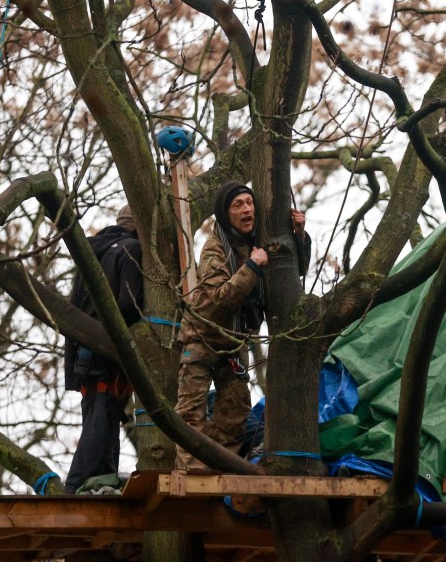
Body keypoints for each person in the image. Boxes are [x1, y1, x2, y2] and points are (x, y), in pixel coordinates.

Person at [174, 181, 310, 469]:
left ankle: (221, 468)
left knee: (235, 413)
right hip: (203, 338)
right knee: (191, 412)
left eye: (250, 203)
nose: (247, 209)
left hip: (235, 343)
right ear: (226, 214)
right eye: (238, 205)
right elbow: (218, 299)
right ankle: (192, 472)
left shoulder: (257, 243)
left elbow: (293, 273)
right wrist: (252, 268)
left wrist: (299, 236)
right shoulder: (215, 250)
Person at [63, 205, 143, 493]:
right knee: (102, 421)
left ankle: (98, 481)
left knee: (102, 420)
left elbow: (73, 305)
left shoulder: (91, 252)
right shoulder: (132, 249)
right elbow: (128, 307)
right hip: (109, 351)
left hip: (83, 353)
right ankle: (73, 491)